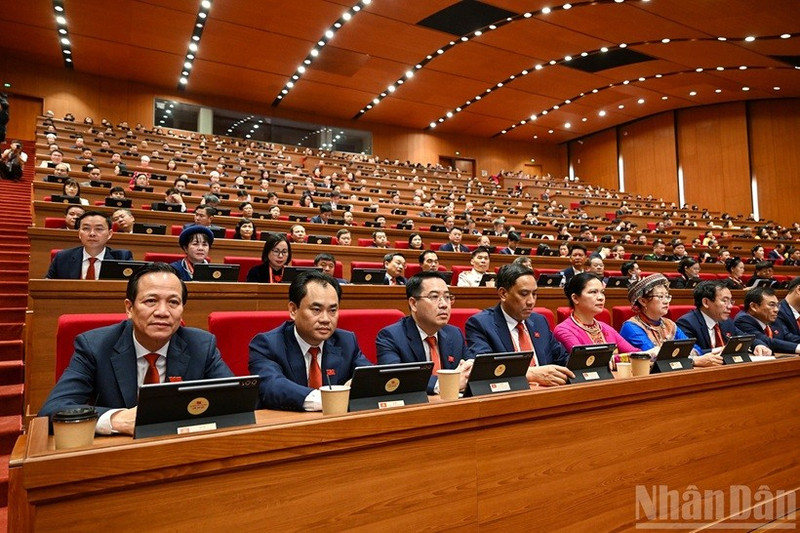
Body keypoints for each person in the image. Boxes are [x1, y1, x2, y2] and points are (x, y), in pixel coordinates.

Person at [39, 262, 234, 434]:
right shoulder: (95, 346)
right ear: (129, 308)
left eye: (173, 302)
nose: (163, 312)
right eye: (151, 301)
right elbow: (52, 410)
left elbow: (236, 401)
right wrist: (116, 420)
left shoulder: (201, 345)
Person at [248, 270, 371, 411]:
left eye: (332, 310)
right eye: (316, 310)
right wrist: (332, 398)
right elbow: (272, 386)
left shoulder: (346, 341)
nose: (325, 319)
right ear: (293, 310)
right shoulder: (267, 345)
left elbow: (370, 377)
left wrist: (359, 384)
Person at [465, 264, 572, 386]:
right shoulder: (481, 324)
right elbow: (483, 370)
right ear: (503, 294)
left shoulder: (539, 321)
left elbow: (562, 359)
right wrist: (530, 374)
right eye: (524, 294)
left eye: (534, 294)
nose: (531, 301)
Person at [376, 272, 473, 394]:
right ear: (413, 303)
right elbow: (395, 377)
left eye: (447, 297)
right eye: (434, 297)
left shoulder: (454, 334)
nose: (444, 304)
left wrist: (470, 368)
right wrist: (447, 383)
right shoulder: (391, 336)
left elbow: (468, 366)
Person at [676, 280, 771, 357]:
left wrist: (758, 345)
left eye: (731, 301)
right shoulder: (687, 323)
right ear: (706, 302)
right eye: (725, 301)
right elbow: (689, 353)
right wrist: (720, 350)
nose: (730, 306)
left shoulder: (727, 322)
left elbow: (745, 337)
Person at [553, 273, 639, 353]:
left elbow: (635, 353)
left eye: (602, 292)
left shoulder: (605, 327)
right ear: (575, 298)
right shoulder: (564, 330)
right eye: (593, 292)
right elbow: (586, 360)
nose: (601, 297)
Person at [619, 274, 701, 356]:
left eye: (667, 296)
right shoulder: (631, 326)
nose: (666, 301)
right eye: (660, 296)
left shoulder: (669, 324)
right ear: (643, 301)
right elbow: (653, 355)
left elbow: (694, 348)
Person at [45, 211, 133, 279]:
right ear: (79, 233)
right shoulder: (62, 258)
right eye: (86, 228)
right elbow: (47, 287)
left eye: (99, 229)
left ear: (109, 234)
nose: (92, 234)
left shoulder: (123, 258)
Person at [734, 286, 800, 355]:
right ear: (754, 306)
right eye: (772, 305)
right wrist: (798, 348)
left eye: (777, 305)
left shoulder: (770, 318)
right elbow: (766, 341)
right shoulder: (743, 320)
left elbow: (787, 336)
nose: (776, 310)